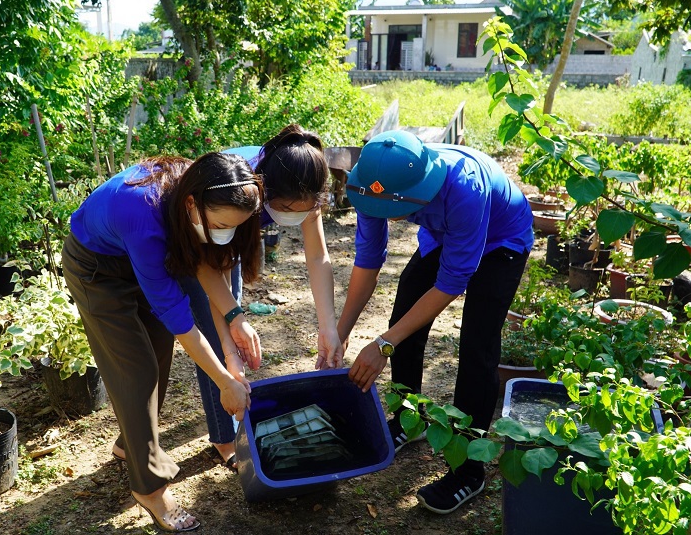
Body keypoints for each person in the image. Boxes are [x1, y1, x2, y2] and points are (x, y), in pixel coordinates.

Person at [61, 152, 263, 532]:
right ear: (192, 204)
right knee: (136, 372)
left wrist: (235, 318)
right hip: (96, 268)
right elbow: (179, 319)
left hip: (133, 255)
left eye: (231, 228)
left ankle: (129, 446)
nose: (224, 233)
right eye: (219, 225)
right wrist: (225, 382)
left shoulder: (200, 188)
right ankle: (150, 488)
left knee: (157, 357)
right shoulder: (145, 215)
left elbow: (204, 260)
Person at [336, 130, 533, 515]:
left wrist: (382, 345)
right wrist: (339, 334)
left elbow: (451, 283)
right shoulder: (371, 186)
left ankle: (468, 469)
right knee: (403, 320)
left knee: (478, 348)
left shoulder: (464, 188)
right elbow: (368, 261)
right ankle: (411, 420)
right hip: (445, 233)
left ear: (417, 194)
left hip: (501, 241)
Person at [183, 124, 343, 470]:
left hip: (236, 232)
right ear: (264, 189)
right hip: (209, 231)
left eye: (305, 208)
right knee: (216, 327)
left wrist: (328, 327)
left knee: (232, 308)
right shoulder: (241, 189)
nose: (295, 216)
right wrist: (231, 331)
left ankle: (232, 408)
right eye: (286, 207)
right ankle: (225, 437)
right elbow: (214, 269)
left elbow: (318, 257)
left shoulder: (305, 180)